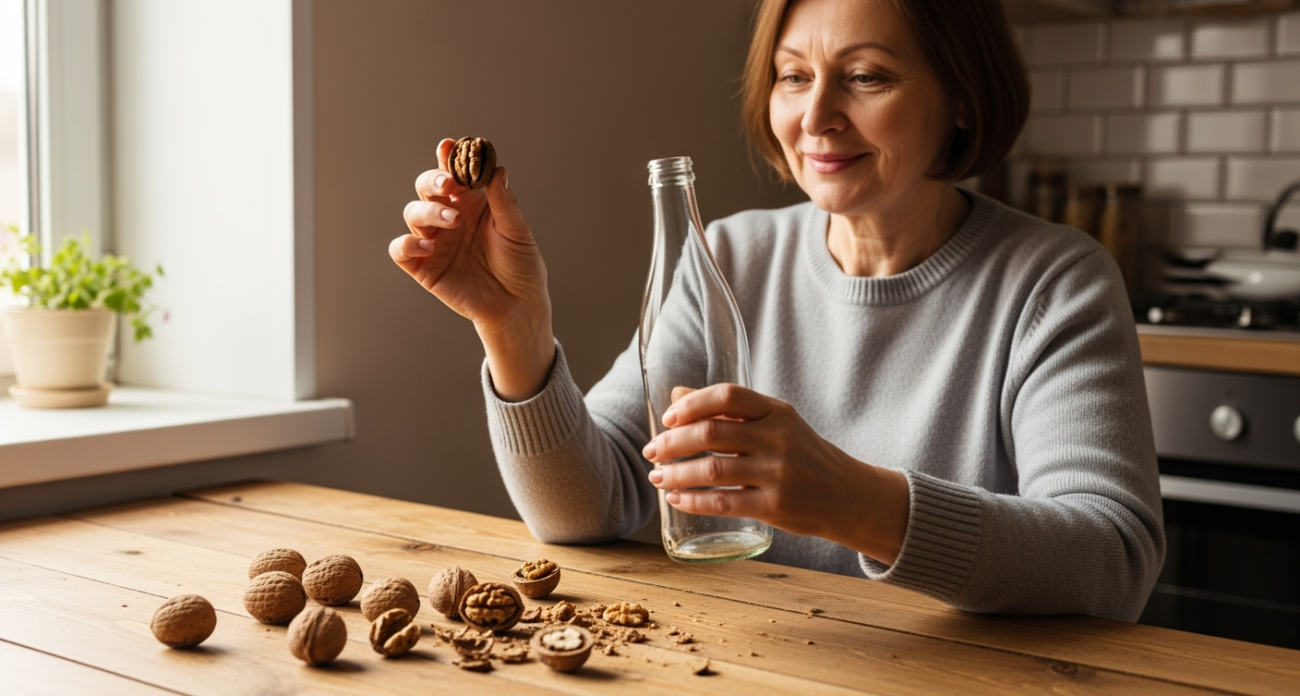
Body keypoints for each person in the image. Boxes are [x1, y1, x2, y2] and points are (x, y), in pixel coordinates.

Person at [390, 0, 1164, 622]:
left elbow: (1111, 560)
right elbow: (593, 504)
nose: (817, 115)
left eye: (865, 77)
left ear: (962, 97)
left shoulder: (1057, 282)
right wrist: (514, 329)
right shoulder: (729, 257)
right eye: (794, 77)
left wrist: (856, 502)